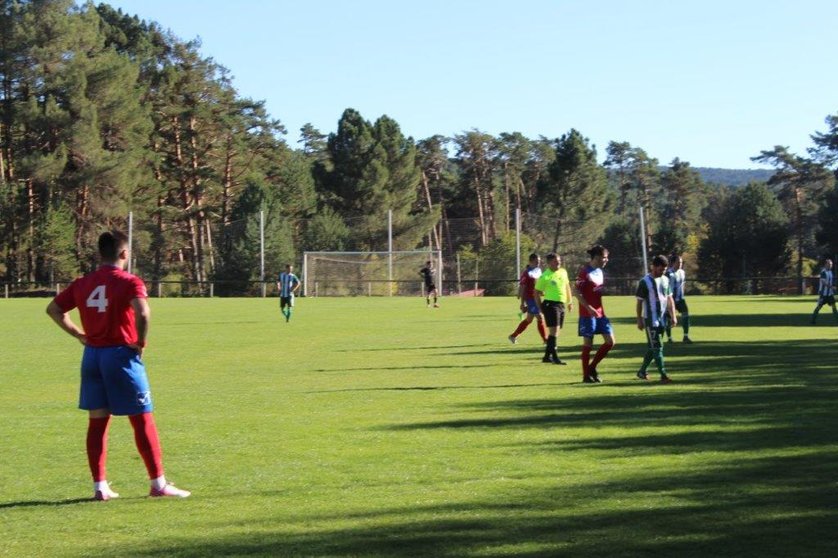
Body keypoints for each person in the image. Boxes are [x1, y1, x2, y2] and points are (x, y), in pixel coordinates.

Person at [45, 231, 190, 501]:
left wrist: (79, 334)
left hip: (92, 356)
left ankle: (100, 486)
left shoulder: (83, 283)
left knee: (97, 422)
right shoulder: (129, 281)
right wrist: (141, 342)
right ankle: (158, 484)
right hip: (120, 356)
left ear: (101, 254)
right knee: (142, 419)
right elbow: (143, 312)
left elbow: (53, 309)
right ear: (124, 254)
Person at [575, 245, 614, 384]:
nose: (606, 260)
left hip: (600, 313)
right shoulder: (584, 272)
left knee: (610, 342)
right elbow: (576, 292)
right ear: (597, 257)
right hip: (587, 314)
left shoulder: (600, 272)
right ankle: (586, 376)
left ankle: (591, 368)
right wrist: (588, 307)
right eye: (605, 257)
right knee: (588, 344)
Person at [635, 255, 677, 383]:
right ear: (653, 267)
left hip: (662, 319)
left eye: (664, 270)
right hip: (650, 320)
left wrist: (673, 316)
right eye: (660, 269)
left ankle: (642, 371)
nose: (662, 272)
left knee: (654, 347)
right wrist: (639, 319)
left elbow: (670, 299)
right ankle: (663, 375)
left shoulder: (665, 280)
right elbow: (639, 302)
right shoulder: (644, 282)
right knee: (657, 348)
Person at [534, 253, 573, 365]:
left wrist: (570, 301)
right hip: (550, 305)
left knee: (555, 332)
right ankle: (555, 357)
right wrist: (540, 307)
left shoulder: (563, 272)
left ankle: (546, 356)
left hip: (561, 305)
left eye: (559, 261)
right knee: (554, 331)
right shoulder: (545, 276)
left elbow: (567, 286)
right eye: (556, 261)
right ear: (549, 263)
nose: (558, 263)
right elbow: (536, 292)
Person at [508, 253, 547, 345]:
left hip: (537, 298)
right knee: (540, 317)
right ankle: (545, 340)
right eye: (536, 261)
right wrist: (522, 303)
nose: (538, 263)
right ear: (530, 261)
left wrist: (541, 291)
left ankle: (513, 336)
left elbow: (538, 284)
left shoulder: (538, 271)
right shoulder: (526, 273)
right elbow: (523, 287)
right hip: (530, 299)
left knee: (529, 320)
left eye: (539, 261)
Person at [665, 254, 692, 343]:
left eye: (681, 262)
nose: (680, 264)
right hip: (670, 300)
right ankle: (669, 338)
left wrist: (682, 294)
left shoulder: (682, 272)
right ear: (673, 263)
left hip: (680, 299)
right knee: (669, 319)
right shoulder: (669, 273)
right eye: (678, 262)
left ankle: (686, 336)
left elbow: (682, 285)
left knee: (686, 315)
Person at [810, 258, 837, 324]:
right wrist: (832, 287)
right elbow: (824, 283)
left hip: (830, 294)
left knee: (834, 306)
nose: (830, 266)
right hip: (823, 294)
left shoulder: (830, 272)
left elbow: (831, 282)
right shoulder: (823, 272)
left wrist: (833, 287)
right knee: (819, 307)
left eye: (831, 264)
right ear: (825, 264)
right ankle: (813, 321)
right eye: (829, 264)